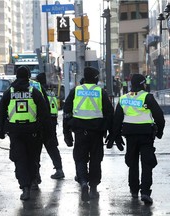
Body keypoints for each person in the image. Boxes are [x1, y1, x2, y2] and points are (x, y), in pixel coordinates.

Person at [106, 73, 165, 204]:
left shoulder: (123, 98)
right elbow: (159, 116)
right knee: (147, 163)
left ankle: (133, 190)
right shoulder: (147, 97)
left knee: (132, 163)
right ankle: (145, 192)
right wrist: (159, 132)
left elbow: (117, 120)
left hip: (130, 136)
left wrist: (114, 137)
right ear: (142, 84)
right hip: (146, 135)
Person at [0, 67, 52, 201]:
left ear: (16, 76)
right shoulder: (34, 92)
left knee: (20, 160)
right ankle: (33, 180)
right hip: (32, 131)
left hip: (15, 131)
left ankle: (25, 188)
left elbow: (1, 113)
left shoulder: (8, 93)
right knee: (33, 159)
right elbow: (44, 113)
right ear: (28, 77)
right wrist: (44, 130)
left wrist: (2, 130)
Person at [63, 66, 114, 202]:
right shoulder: (100, 92)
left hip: (79, 131)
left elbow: (66, 113)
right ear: (95, 78)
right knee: (96, 160)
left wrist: (66, 133)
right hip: (97, 132)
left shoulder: (76, 91)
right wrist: (111, 134)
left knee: (80, 159)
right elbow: (109, 114)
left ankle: (83, 182)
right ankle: (93, 187)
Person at [36, 72, 65, 180]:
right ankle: (59, 169)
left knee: (36, 149)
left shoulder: (38, 91)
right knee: (52, 148)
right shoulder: (51, 92)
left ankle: (36, 174)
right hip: (52, 122)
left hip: (42, 123)